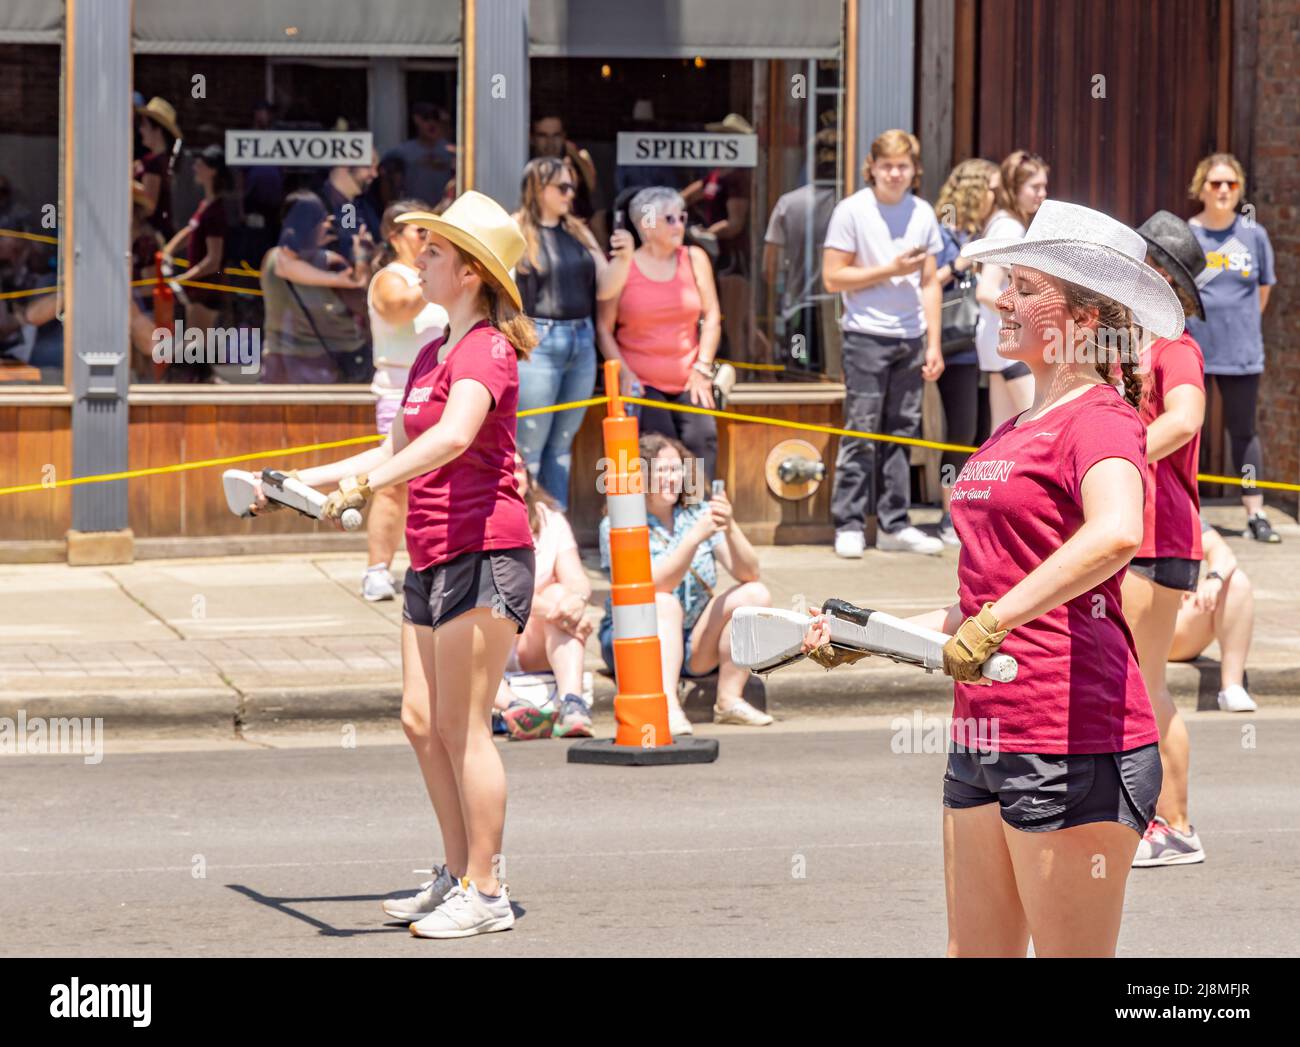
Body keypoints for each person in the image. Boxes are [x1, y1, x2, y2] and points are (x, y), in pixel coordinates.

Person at [806, 200, 1185, 956]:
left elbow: (1116, 532)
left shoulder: (1102, 418)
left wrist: (992, 622)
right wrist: (872, 634)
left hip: (1069, 733)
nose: (999, 300)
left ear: (1079, 317)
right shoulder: (1015, 426)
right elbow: (981, 596)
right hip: (983, 728)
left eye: (1021, 285)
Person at [252, 191, 537, 939]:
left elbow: (451, 438)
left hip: (486, 549)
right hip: (432, 549)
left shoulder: (486, 350)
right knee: (420, 721)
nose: (421, 258)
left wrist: (365, 487)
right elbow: (392, 450)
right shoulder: (431, 350)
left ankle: (488, 887)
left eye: (436, 252)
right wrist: (298, 480)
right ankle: (455, 873)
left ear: (472, 273)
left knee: (463, 726)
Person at [1115, 212, 1209, 870]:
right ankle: (1166, 821)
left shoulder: (1176, 348)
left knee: (1144, 684)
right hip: (1143, 529)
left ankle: (1169, 823)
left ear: (1161, 277)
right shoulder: (1137, 346)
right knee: (1142, 681)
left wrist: (1115, 457)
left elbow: (1184, 418)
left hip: (1160, 528)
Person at [598, 433, 774, 736]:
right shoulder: (619, 523)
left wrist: (730, 527)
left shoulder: (696, 513)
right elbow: (650, 586)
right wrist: (693, 538)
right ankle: (667, 706)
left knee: (755, 594)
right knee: (665, 602)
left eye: (676, 469)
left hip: (694, 641)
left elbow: (749, 572)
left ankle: (729, 700)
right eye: (661, 470)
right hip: (636, 641)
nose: (671, 478)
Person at [822, 129, 945, 558]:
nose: (895, 173)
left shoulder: (923, 212)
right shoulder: (851, 210)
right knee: (861, 429)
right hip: (865, 334)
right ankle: (850, 523)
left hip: (910, 335)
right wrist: (888, 269)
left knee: (902, 432)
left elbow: (930, 282)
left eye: (903, 166)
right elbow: (833, 276)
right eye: (887, 165)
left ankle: (895, 523)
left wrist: (934, 342)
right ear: (871, 167)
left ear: (915, 170)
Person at [513, 156, 634, 509]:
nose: (570, 193)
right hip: (538, 339)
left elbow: (604, 288)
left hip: (580, 340)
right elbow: (497, 287)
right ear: (538, 188)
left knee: (562, 442)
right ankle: (528, 535)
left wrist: (624, 259)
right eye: (562, 187)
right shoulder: (515, 228)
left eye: (572, 186)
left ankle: (556, 534)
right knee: (529, 444)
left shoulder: (577, 230)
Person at [1184, 152, 1280, 543]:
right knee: (1188, 429)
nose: (1224, 190)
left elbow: (1263, 291)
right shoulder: (1188, 233)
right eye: (1215, 183)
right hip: (1195, 350)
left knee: (1243, 432)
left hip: (1241, 354)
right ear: (1201, 188)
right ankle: (1186, 513)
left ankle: (1254, 513)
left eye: (1231, 184)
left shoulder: (1253, 234)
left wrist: (1237, 327)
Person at [596, 186, 723, 481]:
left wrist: (703, 366)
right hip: (643, 382)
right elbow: (604, 328)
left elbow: (713, 315)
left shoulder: (694, 257)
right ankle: (660, 523)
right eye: (670, 219)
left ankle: (698, 515)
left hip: (689, 377)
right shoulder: (625, 266)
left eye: (682, 217)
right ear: (646, 225)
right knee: (658, 451)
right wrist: (625, 373)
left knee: (702, 442)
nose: (680, 225)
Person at [362, 198, 448, 601]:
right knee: (394, 484)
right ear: (395, 237)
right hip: (398, 393)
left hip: (445, 390)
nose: (427, 239)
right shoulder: (389, 278)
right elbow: (397, 310)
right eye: (419, 231)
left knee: (439, 481)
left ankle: (433, 564)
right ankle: (377, 570)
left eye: (432, 231)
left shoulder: (438, 276)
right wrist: (432, 279)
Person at [498, 454, 595, 740]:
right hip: (494, 639)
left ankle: (572, 704)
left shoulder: (547, 517)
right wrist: (555, 610)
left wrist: (575, 602)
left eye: (519, 467)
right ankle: (514, 708)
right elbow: (497, 591)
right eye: (505, 468)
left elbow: (576, 577)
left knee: (561, 593)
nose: (515, 474)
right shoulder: (479, 519)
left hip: (533, 639)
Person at [932, 158, 1001, 546]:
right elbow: (930, 281)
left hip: (985, 347)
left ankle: (973, 509)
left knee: (982, 432)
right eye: (993, 188)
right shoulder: (944, 232)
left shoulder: (987, 231)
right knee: (958, 430)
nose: (998, 195)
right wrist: (961, 264)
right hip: (956, 345)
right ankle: (947, 514)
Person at [258, 191, 368, 384]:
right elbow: (362, 300)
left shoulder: (271, 259)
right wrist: (361, 254)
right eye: (323, 220)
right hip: (326, 364)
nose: (328, 225)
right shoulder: (330, 263)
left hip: (280, 363)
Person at [975, 150, 1049, 431]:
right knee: (1038, 427)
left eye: (1044, 186)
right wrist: (1030, 313)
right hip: (1007, 340)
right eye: (1035, 187)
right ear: (1014, 188)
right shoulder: (1009, 227)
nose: (1042, 194)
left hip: (997, 342)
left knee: (1002, 434)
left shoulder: (1004, 222)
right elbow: (986, 290)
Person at [763, 127, 839, 374]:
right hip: (841, 309)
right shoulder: (851, 204)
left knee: (800, 377)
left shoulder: (789, 204)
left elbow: (769, 269)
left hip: (798, 308)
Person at [684, 113, 754, 361]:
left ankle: (743, 379)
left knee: (734, 324)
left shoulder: (738, 178)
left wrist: (704, 234)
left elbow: (735, 223)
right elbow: (686, 197)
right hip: (715, 255)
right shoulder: (716, 174)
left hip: (732, 256)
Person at [1168, 517, 1257, 713]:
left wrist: (1214, 577)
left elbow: (1221, 551)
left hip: (1175, 626)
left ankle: (1232, 687)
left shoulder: (1175, 502)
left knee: (1236, 582)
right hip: (1126, 628)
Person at [160, 145, 229, 344]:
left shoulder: (216, 212)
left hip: (207, 289)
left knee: (197, 349)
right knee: (197, 350)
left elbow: (213, 261)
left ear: (212, 171)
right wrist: (169, 250)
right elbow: (190, 230)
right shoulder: (205, 205)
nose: (195, 167)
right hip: (198, 288)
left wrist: (183, 279)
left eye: (201, 164)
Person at [531, 113, 604, 245]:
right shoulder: (524, 166)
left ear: (564, 137)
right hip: (535, 241)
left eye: (556, 135)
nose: (550, 143)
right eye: (543, 136)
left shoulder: (577, 168)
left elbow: (596, 211)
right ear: (532, 138)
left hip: (576, 242)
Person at [384, 103, 456, 207]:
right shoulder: (403, 151)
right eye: (426, 118)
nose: (432, 123)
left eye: (436, 119)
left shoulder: (450, 151)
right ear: (417, 120)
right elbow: (384, 171)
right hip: (414, 212)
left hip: (444, 211)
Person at [134, 97, 180, 238]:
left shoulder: (155, 163)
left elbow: (149, 205)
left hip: (149, 237)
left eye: (144, 125)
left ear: (157, 130)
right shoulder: (162, 160)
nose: (141, 130)